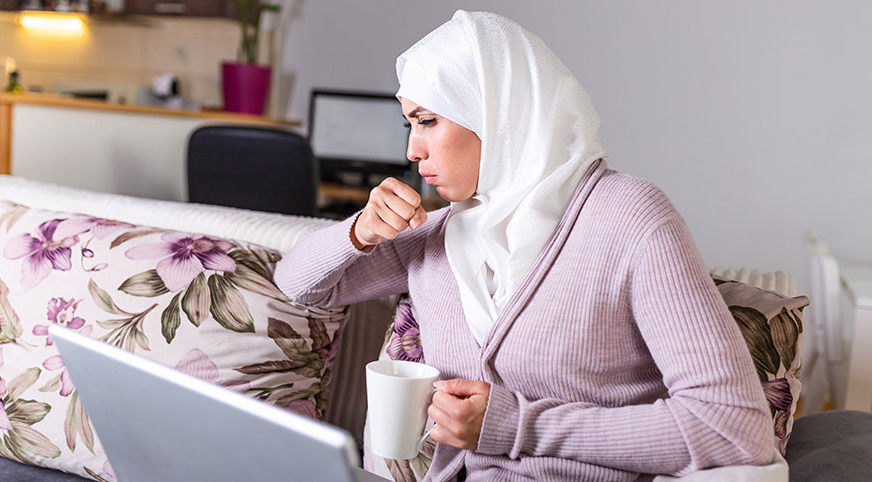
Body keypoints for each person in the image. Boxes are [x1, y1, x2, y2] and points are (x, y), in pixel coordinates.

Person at [273, 10, 779, 481]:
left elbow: (731, 428)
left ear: (494, 110)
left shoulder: (631, 219)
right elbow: (299, 284)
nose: (411, 150)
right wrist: (359, 231)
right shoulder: (439, 232)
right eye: (409, 125)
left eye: (428, 121)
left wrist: (519, 426)